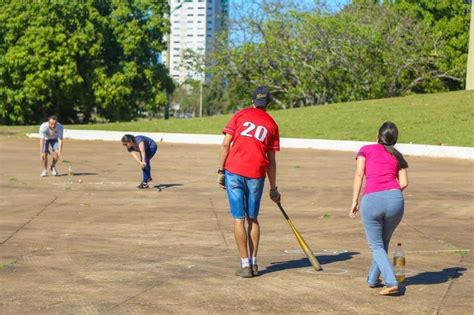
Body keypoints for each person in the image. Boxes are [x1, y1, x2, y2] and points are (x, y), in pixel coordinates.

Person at [218, 86, 281, 278]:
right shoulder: (272, 124)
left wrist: (221, 170)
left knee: (239, 219)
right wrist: (273, 188)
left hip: (234, 171)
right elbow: (271, 160)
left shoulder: (241, 115)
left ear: (253, 100)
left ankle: (245, 265)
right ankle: (254, 264)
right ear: (268, 103)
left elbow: (226, 144)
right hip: (256, 174)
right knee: (252, 219)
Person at [350, 121, 409, 296]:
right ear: (395, 139)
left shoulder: (366, 149)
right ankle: (373, 279)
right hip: (395, 200)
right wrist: (391, 193)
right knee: (382, 243)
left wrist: (354, 200)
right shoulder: (398, 155)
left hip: (372, 200)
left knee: (376, 244)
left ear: (378, 135)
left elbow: (359, 174)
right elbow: (404, 183)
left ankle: (391, 281)